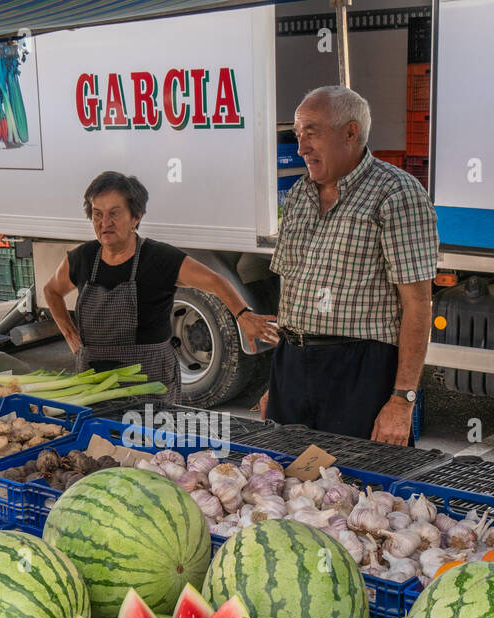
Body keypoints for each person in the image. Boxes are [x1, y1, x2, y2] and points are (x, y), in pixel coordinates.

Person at [263, 86, 439, 445]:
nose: (301, 148)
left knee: (357, 490)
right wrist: (277, 385)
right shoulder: (299, 194)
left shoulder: (396, 194)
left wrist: (402, 400)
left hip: (360, 371)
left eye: (311, 133)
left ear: (350, 132)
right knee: (291, 485)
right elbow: (291, 293)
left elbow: (418, 304)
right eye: (298, 136)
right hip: (293, 365)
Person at [43, 171, 278, 403]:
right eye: (97, 214)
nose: (105, 223)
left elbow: (216, 281)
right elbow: (51, 291)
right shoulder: (82, 258)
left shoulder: (159, 258)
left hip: (150, 381)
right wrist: (71, 335)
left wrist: (242, 315)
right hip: (94, 382)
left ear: (136, 217)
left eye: (114, 213)